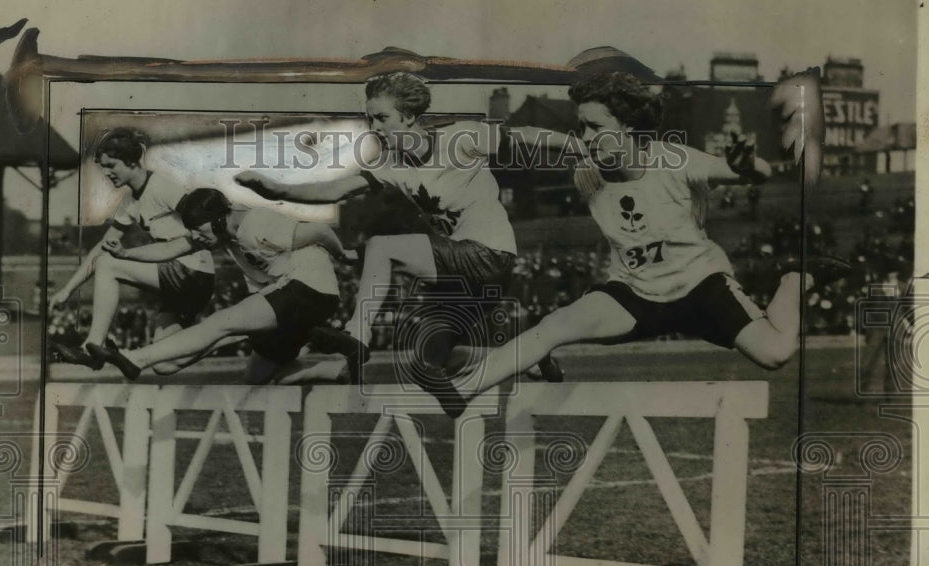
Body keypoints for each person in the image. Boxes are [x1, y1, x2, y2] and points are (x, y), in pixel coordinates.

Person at [415, 72, 851, 418]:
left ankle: (795, 279)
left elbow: (753, 173)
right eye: (580, 125)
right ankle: (459, 391)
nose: (584, 136)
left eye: (595, 126)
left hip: (700, 287)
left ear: (629, 127)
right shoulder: (587, 167)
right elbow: (526, 137)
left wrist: (747, 164)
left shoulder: (674, 160)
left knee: (776, 353)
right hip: (635, 293)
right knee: (554, 325)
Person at [235, 71, 565, 385]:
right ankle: (529, 358)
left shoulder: (459, 138)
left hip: (489, 253)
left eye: (382, 118)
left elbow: (527, 135)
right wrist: (275, 189)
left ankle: (356, 335)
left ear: (408, 116)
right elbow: (331, 191)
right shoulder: (391, 166)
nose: (374, 127)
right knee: (428, 361)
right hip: (462, 274)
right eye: (370, 119)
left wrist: (585, 147)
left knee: (381, 247)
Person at [90, 188, 345, 383]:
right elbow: (170, 248)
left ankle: (136, 358)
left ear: (218, 219)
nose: (197, 237)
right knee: (256, 379)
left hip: (309, 290)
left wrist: (343, 255)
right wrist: (126, 254)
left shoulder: (255, 224)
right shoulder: (221, 232)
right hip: (288, 301)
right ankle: (336, 370)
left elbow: (321, 231)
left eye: (198, 229)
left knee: (222, 321)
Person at [48, 128, 215, 374]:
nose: (107, 173)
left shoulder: (163, 186)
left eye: (112, 165)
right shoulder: (129, 202)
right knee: (164, 363)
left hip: (193, 272)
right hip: (181, 284)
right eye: (104, 167)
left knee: (108, 264)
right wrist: (67, 289)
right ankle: (224, 337)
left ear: (133, 162)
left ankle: (92, 346)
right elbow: (100, 247)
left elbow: (206, 219)